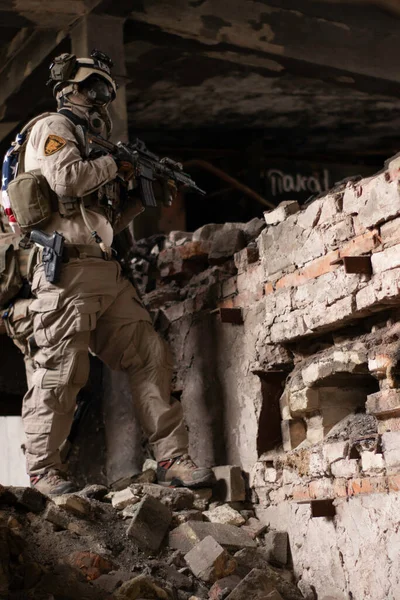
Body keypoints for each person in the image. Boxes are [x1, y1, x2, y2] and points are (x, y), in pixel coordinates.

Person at [12, 50, 214, 495]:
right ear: (71, 89)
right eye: (93, 88)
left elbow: (101, 224)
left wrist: (138, 194)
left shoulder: (92, 143)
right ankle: (45, 472)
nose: (101, 97)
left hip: (104, 271)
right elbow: (66, 181)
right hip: (65, 273)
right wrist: (116, 165)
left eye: (106, 89)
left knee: (150, 354)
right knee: (62, 371)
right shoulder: (54, 127)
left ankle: (172, 457)